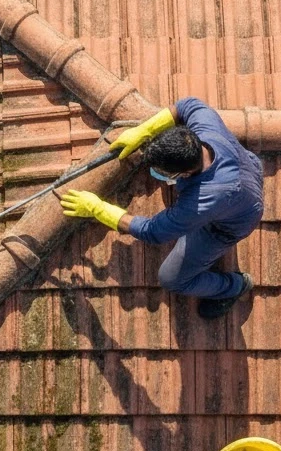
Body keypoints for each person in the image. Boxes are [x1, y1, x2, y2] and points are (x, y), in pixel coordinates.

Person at [59, 99, 264, 319]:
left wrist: (97, 208)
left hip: (230, 225)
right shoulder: (205, 128)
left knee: (172, 279)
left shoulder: (200, 202)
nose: (157, 173)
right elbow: (187, 106)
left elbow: (152, 231)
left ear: (185, 174)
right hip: (249, 170)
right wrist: (143, 131)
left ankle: (235, 286)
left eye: (164, 172)